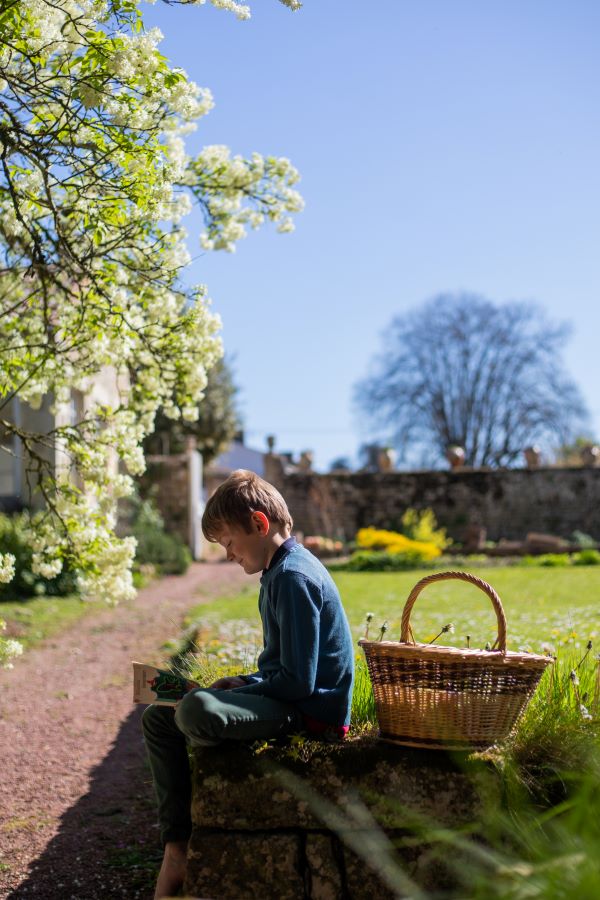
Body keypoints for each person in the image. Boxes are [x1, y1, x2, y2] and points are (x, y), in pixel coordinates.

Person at [142, 469, 355, 899]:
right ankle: (177, 843)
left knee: (196, 710)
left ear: (260, 524)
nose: (228, 555)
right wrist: (242, 681)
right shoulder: (276, 573)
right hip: (291, 698)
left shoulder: (294, 577)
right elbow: (283, 669)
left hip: (312, 714)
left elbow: (299, 682)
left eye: (229, 543)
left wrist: (231, 695)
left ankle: (210, 735)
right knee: (156, 718)